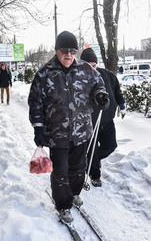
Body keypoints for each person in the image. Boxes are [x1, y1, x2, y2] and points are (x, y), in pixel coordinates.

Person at [28, 31, 110, 223]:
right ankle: (63, 205)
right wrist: (38, 128)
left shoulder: (86, 70)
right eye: (64, 50)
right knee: (60, 171)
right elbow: (35, 103)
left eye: (73, 51)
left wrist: (100, 96)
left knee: (78, 168)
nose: (69, 55)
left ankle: (74, 193)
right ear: (57, 50)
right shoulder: (44, 73)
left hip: (82, 131)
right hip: (57, 134)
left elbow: (99, 86)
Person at [80, 48, 126, 187]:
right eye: (88, 66)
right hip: (90, 122)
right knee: (92, 150)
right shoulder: (79, 78)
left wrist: (122, 105)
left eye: (94, 66)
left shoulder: (107, 75)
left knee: (110, 146)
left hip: (107, 120)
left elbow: (117, 91)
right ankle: (95, 175)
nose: (92, 69)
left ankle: (90, 159)